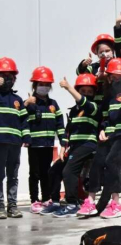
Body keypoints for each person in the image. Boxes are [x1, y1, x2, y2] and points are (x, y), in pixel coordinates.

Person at [77, 58, 121, 219]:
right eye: (112, 77)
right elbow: (104, 118)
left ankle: (116, 203)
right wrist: (102, 130)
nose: (115, 80)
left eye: (118, 77)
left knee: (111, 161)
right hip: (110, 134)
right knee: (97, 161)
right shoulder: (108, 97)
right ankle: (90, 201)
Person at [47, 74, 99, 217]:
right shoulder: (73, 111)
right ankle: (56, 202)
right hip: (74, 147)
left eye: (90, 92)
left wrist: (69, 87)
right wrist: (63, 147)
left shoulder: (93, 107)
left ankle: (72, 204)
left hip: (88, 145)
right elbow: (67, 131)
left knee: (69, 171)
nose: (87, 94)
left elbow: (85, 103)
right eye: (83, 91)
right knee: (55, 170)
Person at [24, 66, 66, 214]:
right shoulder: (30, 103)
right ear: (34, 85)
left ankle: (46, 198)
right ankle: (34, 200)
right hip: (34, 145)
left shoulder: (53, 104)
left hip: (48, 145)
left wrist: (63, 142)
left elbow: (60, 125)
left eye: (47, 85)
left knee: (46, 173)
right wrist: (26, 104)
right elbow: (19, 118)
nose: (44, 87)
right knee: (34, 173)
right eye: (41, 84)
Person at [0, 57, 31, 219]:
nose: (7, 79)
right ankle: (0, 206)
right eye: (3, 75)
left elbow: (24, 121)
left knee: (13, 174)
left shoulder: (17, 101)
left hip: (14, 143)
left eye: (10, 76)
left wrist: (26, 137)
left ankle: (12, 205)